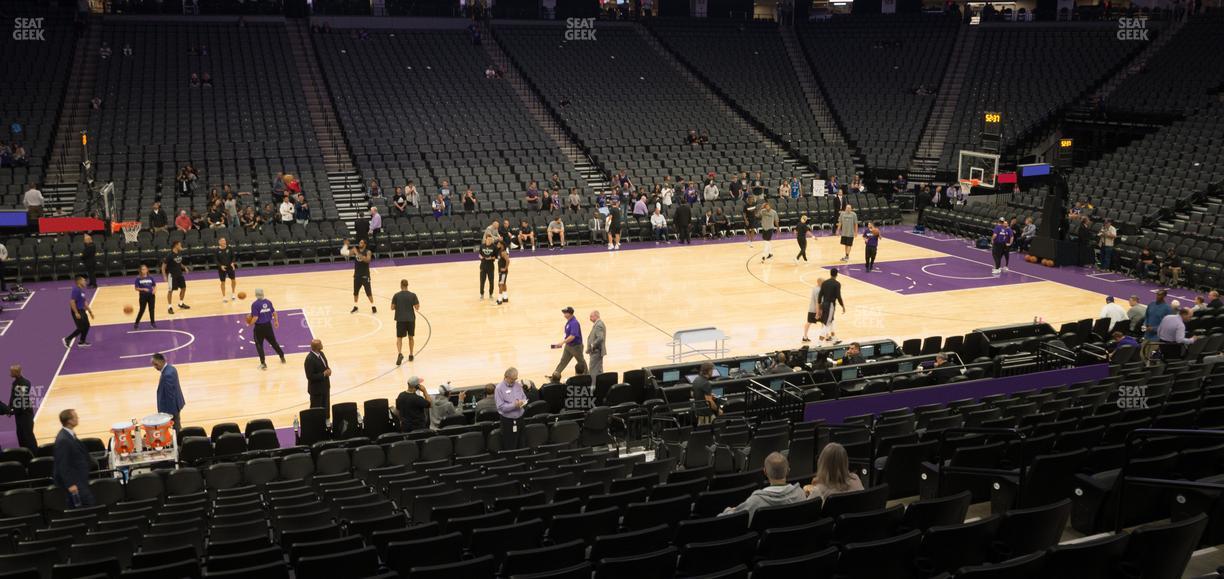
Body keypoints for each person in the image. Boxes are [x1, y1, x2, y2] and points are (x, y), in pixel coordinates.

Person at [722, 453, 810, 518]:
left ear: (765, 472)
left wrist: (730, 510)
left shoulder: (755, 501)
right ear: (788, 471)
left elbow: (728, 519)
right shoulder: (800, 494)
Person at [53, 409, 94, 507]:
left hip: (79, 478)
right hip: (74, 481)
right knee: (88, 503)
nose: (77, 418)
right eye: (75, 417)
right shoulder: (63, 439)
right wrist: (70, 484)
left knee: (82, 506)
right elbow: (62, 464)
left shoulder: (68, 435)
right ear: (69, 421)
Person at [245, 289, 286, 370]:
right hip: (268, 326)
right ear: (263, 294)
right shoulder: (268, 302)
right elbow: (274, 313)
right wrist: (276, 321)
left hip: (259, 328)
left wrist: (250, 324)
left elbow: (255, 317)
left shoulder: (255, 304)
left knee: (259, 345)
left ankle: (263, 363)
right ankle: (282, 357)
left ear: (256, 295)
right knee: (274, 342)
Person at [4, 365, 36, 451]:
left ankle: (34, 453)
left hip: (25, 414)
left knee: (27, 436)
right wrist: (9, 408)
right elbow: (13, 397)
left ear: (16, 372)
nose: (10, 373)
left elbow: (21, 401)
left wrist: (11, 411)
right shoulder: (15, 383)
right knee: (21, 435)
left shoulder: (24, 383)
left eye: (11, 371)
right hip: (19, 414)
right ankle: (25, 454)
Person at [549, 307, 587, 382]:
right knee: (563, 361)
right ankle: (555, 376)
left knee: (581, 362)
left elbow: (573, 336)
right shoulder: (569, 321)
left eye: (565, 313)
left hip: (576, 347)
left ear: (569, 314)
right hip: (569, 346)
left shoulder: (574, 323)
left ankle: (587, 376)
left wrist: (562, 342)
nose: (564, 314)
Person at [151, 353, 185, 433]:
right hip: (176, 404)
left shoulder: (167, 375)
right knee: (177, 426)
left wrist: (170, 414)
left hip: (171, 408)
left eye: (156, 364)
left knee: (175, 428)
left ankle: (178, 442)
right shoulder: (171, 368)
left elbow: (170, 396)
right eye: (153, 365)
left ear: (163, 361)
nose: (155, 367)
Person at [495, 368, 528, 449]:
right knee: (509, 444)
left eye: (515, 378)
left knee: (521, 442)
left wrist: (523, 402)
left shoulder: (518, 385)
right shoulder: (499, 388)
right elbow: (501, 407)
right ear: (506, 377)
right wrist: (514, 405)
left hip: (520, 419)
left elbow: (524, 397)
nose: (514, 381)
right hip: (508, 422)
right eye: (512, 379)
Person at [342, 239, 376, 314]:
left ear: (365, 244)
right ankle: (356, 306)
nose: (359, 243)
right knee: (355, 293)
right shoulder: (355, 250)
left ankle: (373, 306)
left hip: (365, 276)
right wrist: (345, 245)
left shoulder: (368, 252)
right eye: (359, 242)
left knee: (368, 293)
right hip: (357, 275)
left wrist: (357, 253)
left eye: (361, 242)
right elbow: (344, 253)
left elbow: (368, 260)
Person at [391, 279, 420, 365]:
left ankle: (400, 353)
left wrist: (399, 306)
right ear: (407, 285)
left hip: (400, 319)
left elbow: (392, 308)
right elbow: (417, 307)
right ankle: (411, 354)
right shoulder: (413, 295)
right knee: (411, 337)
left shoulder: (396, 295)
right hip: (410, 319)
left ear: (401, 285)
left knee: (399, 338)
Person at [305, 339, 332, 417]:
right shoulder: (309, 359)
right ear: (317, 347)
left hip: (325, 387)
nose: (322, 345)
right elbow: (310, 376)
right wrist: (323, 374)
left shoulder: (321, 354)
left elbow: (325, 366)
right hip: (316, 390)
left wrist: (329, 369)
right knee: (316, 412)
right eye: (320, 344)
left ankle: (326, 425)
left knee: (326, 409)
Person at [64, 276, 93, 348]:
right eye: (84, 280)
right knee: (81, 327)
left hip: (82, 310)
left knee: (86, 326)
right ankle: (67, 339)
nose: (85, 282)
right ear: (79, 282)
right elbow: (72, 302)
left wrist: (90, 311)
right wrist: (76, 312)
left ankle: (82, 342)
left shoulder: (81, 290)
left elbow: (84, 302)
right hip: (77, 310)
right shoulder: (76, 290)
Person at [162, 241, 190, 315]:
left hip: (179, 274)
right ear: (176, 246)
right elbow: (163, 266)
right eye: (180, 245)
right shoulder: (169, 255)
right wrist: (164, 276)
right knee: (170, 291)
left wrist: (185, 267)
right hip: (172, 275)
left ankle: (181, 303)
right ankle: (169, 307)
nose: (181, 246)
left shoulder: (179, 253)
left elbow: (179, 262)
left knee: (183, 288)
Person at [818, 269, 845, 343]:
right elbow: (838, 296)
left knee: (831, 321)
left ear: (830, 274)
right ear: (837, 274)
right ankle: (819, 343)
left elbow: (820, 295)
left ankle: (834, 339)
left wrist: (820, 307)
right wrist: (842, 306)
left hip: (824, 304)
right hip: (831, 306)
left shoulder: (825, 283)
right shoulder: (837, 284)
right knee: (827, 324)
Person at [133, 264, 157, 329]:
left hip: (151, 296)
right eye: (143, 269)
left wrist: (154, 290)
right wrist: (143, 289)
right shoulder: (138, 278)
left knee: (151, 309)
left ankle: (153, 323)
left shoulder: (150, 277)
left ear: (147, 270)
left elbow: (154, 285)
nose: (144, 270)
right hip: (143, 296)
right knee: (142, 310)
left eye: (145, 269)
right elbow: (136, 288)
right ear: (140, 270)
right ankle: (136, 323)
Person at [802, 277, 825, 343]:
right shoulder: (819, 290)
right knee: (824, 323)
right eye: (823, 282)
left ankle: (805, 337)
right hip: (816, 310)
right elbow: (818, 302)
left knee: (809, 322)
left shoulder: (815, 288)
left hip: (811, 309)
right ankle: (825, 336)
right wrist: (818, 312)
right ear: (820, 282)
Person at [216, 237, 238, 303]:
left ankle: (233, 293)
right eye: (222, 241)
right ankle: (224, 297)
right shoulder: (217, 250)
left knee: (233, 280)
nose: (223, 242)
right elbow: (215, 260)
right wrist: (220, 266)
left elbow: (233, 257)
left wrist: (232, 263)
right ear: (219, 242)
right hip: (222, 268)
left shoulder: (230, 248)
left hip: (230, 267)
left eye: (224, 241)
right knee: (223, 282)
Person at [586, 311, 606, 377]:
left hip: (596, 351)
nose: (590, 318)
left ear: (596, 316)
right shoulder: (598, 324)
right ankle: (601, 384)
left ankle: (593, 385)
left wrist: (592, 345)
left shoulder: (599, 325)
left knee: (593, 370)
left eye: (591, 316)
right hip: (597, 351)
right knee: (599, 370)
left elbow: (600, 338)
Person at [478, 234, 498, 300]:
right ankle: (481, 294)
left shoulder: (494, 247)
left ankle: (491, 294)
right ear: (485, 239)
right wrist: (481, 257)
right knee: (482, 281)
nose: (490, 240)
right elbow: (479, 254)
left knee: (491, 281)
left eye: (491, 239)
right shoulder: (482, 246)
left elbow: (496, 256)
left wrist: (491, 258)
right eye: (488, 239)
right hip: (483, 266)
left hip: (491, 266)